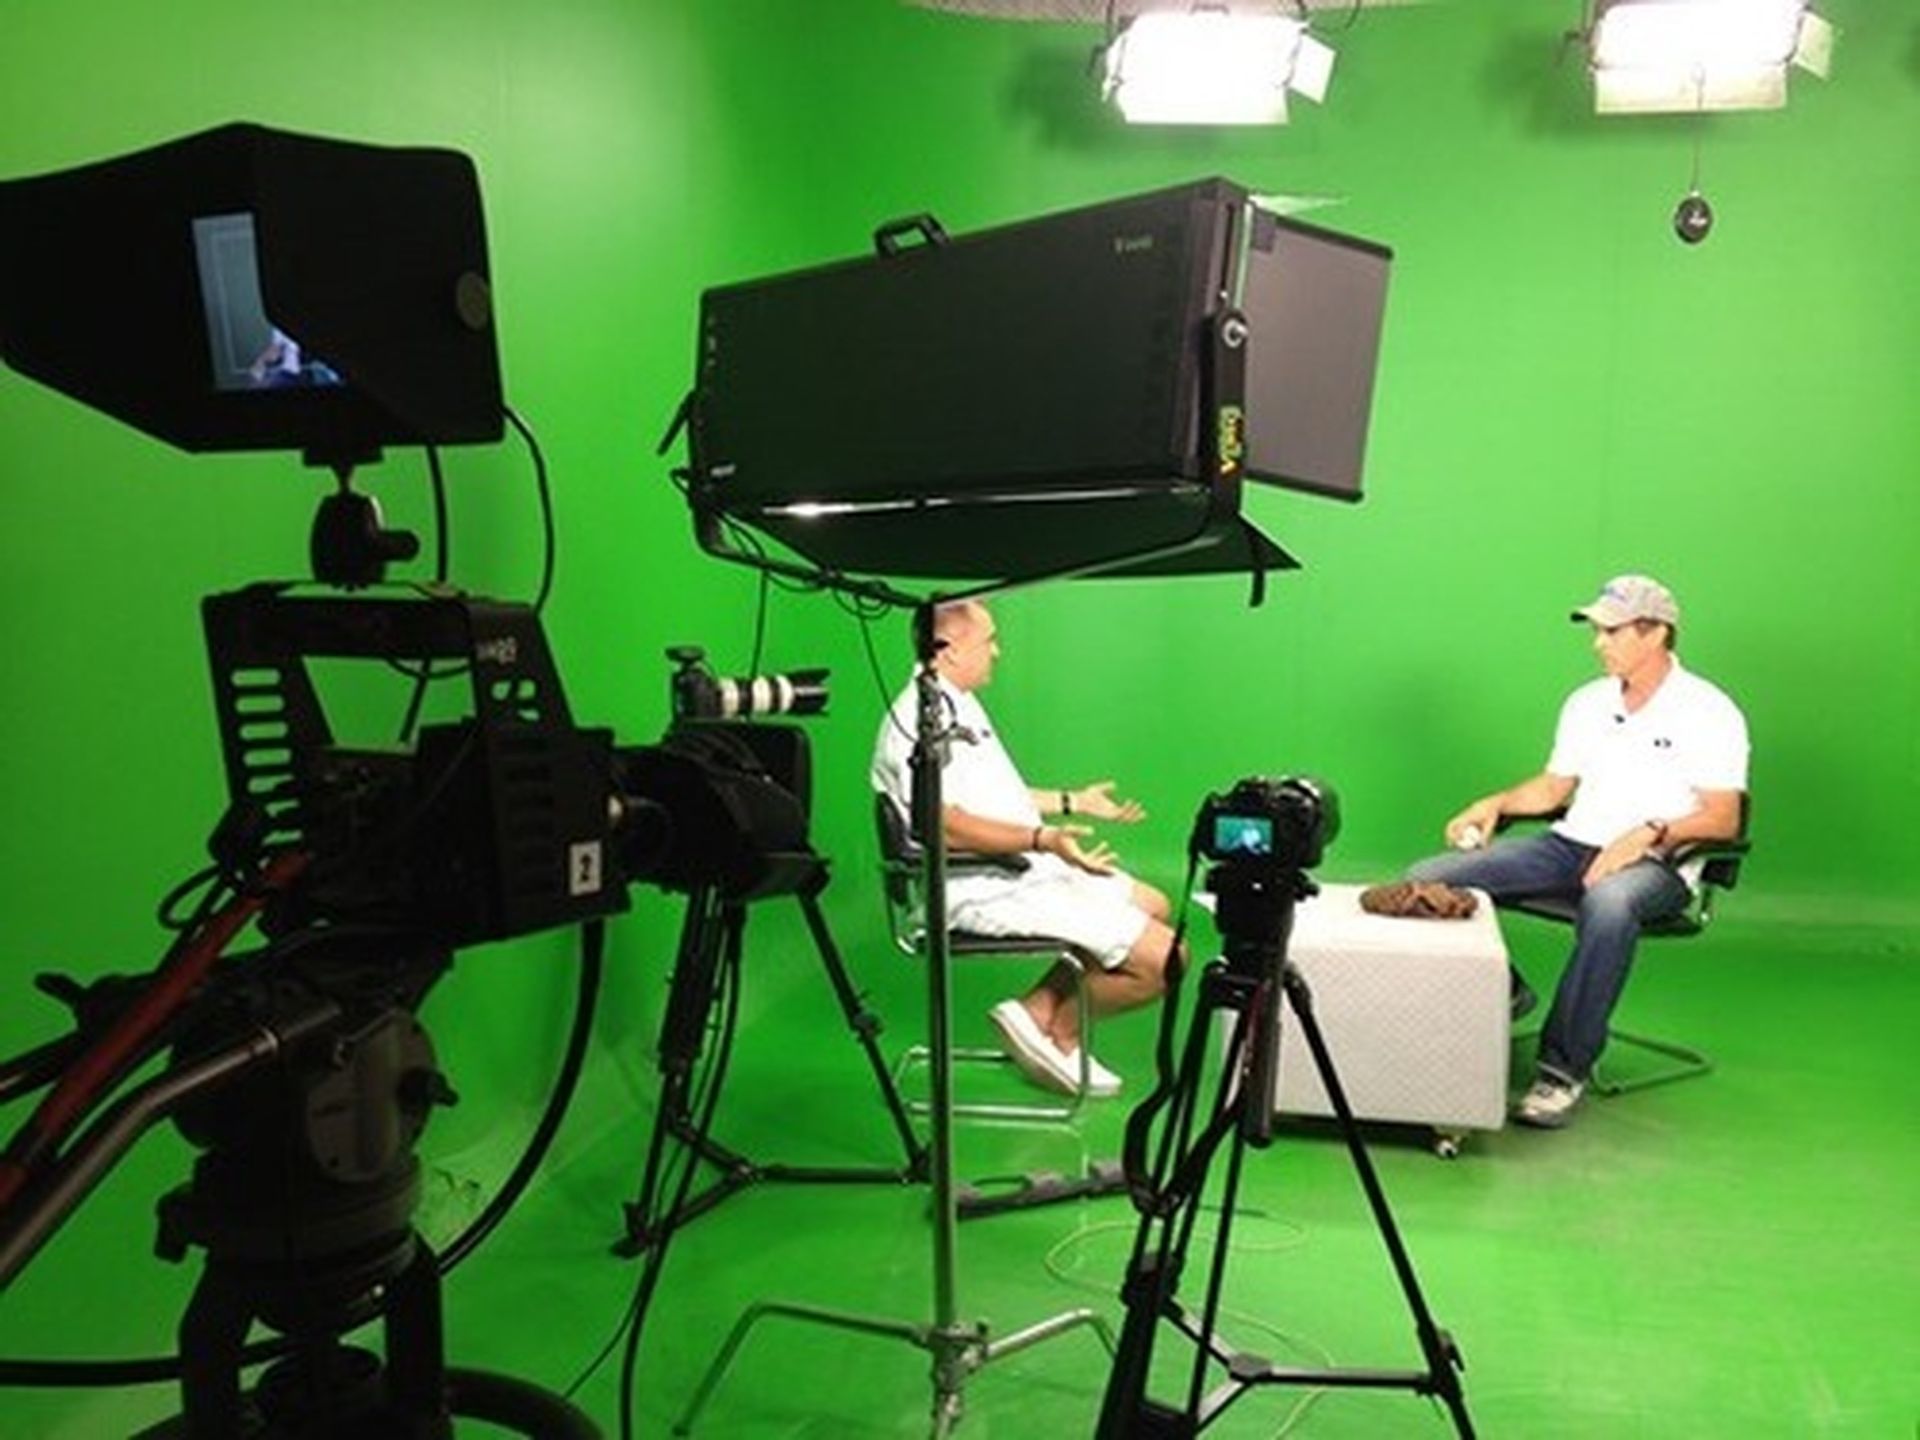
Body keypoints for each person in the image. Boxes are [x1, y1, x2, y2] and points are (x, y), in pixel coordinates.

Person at [1407, 575, 1749, 1129]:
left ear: (1657, 632)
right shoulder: (1587, 703)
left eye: (1612, 631)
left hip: (1657, 864)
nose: (1599, 643)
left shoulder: (1710, 710)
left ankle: (1562, 1070)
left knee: (1611, 905)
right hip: (1569, 847)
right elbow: (1552, 790)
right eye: (1597, 631)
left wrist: (1646, 834)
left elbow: (1723, 816)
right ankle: (1506, 993)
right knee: (1428, 877)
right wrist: (1494, 804)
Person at [870, 600, 1178, 1097]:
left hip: (1011, 868)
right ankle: (1061, 1034)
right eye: (987, 640)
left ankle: (1034, 1012)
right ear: (945, 651)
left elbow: (994, 801)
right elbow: (944, 825)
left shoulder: (953, 701)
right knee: (1169, 961)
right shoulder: (916, 722)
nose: (997, 651)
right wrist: (1046, 840)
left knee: (1154, 903)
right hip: (976, 886)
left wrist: (1073, 802)